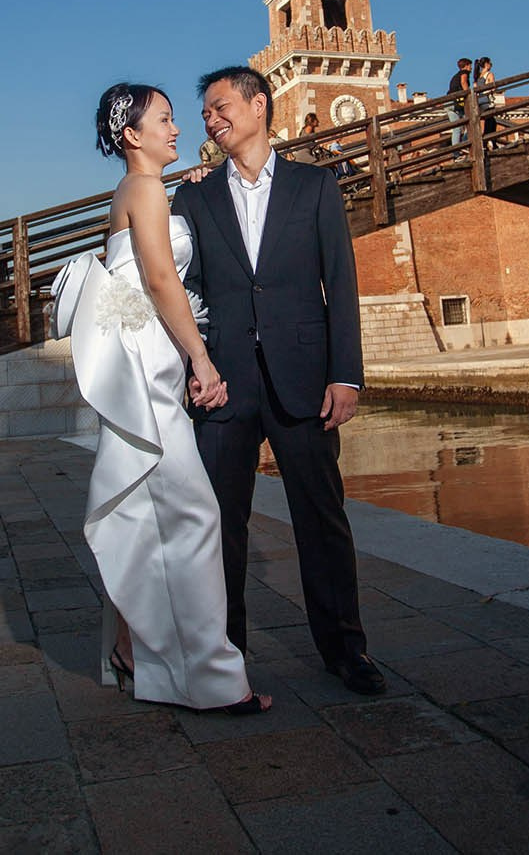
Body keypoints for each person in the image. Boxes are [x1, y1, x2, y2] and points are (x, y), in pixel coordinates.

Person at [51, 83, 270, 715]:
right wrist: (201, 359)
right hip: (150, 370)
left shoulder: (135, 190)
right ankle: (209, 678)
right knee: (196, 514)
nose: (179, 129)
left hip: (144, 362)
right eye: (167, 120)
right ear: (133, 134)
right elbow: (156, 278)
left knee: (150, 514)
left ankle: (132, 647)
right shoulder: (144, 190)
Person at [171, 65, 385, 696]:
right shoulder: (194, 196)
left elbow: (340, 284)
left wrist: (346, 374)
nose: (210, 120)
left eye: (219, 107)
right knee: (219, 526)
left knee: (322, 519)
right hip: (224, 386)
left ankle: (347, 650)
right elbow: (183, 290)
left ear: (259, 106)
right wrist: (194, 365)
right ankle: (223, 657)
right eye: (205, 112)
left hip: (305, 381)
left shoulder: (316, 187)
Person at [446, 58, 473, 150]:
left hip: (449, 103)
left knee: (456, 129)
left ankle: (456, 153)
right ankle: (465, 145)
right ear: (466, 66)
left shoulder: (455, 76)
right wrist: (469, 95)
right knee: (471, 123)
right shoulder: (464, 73)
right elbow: (463, 82)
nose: (471, 68)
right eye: (470, 66)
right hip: (456, 103)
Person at [475, 55, 500, 145]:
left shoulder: (478, 76)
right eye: (490, 63)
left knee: (487, 121)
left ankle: (489, 142)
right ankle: (489, 142)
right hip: (487, 100)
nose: (491, 65)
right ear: (486, 64)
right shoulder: (489, 74)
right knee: (491, 122)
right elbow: (492, 88)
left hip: (480, 101)